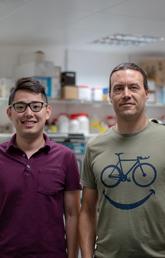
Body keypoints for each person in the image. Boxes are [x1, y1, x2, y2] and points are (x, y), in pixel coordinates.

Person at [79, 62, 165, 258]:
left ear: (146, 93)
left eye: (133, 87)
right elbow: (87, 211)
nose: (126, 94)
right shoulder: (95, 147)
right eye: (118, 88)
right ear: (110, 96)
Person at [0, 77, 81, 258]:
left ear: (47, 112)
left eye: (36, 106)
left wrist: (73, 256)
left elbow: (73, 214)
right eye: (20, 106)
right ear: (10, 112)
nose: (29, 113)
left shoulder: (65, 157)